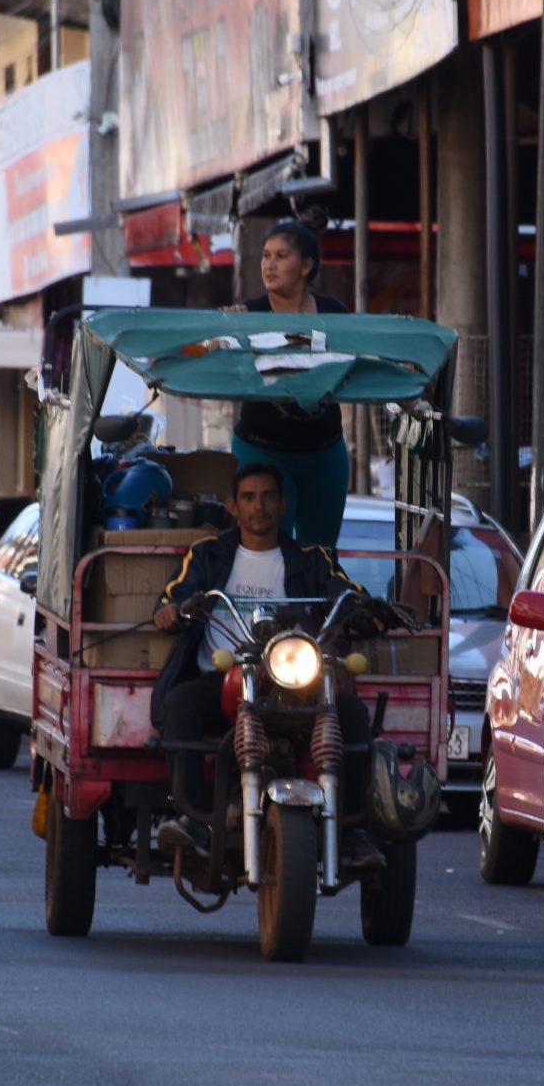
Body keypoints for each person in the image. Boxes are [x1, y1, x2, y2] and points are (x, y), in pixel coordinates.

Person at [151, 461, 381, 871]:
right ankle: (195, 818)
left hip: (296, 680)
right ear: (233, 506)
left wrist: (362, 609)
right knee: (181, 705)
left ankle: (351, 829)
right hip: (223, 677)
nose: (260, 506)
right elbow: (173, 595)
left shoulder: (311, 559)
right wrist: (171, 611)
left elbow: (344, 592)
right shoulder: (207, 555)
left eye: (269, 497)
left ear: (283, 505)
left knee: (352, 716)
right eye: (250, 497)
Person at [223, 218, 350, 550]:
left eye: (281, 256)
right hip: (260, 452)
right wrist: (226, 328)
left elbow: (360, 360)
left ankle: (316, 606)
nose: (270, 265)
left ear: (306, 265)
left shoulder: (333, 313)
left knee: (320, 557)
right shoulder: (247, 314)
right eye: (266, 256)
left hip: (324, 454)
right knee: (264, 554)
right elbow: (212, 352)